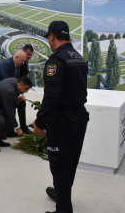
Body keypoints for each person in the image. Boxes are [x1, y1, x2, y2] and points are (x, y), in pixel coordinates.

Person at [33, 21, 89, 213]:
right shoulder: (78, 57)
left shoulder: (56, 60)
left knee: (59, 166)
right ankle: (61, 193)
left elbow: (51, 94)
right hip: (80, 118)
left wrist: (40, 122)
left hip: (63, 121)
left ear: (51, 37)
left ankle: (64, 209)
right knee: (70, 163)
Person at [0, 49, 33, 136]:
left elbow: (17, 81)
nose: (23, 63)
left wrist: (20, 95)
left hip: (5, 89)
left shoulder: (17, 64)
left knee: (21, 103)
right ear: (16, 57)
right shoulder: (6, 64)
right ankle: (8, 130)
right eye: (22, 60)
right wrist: (18, 95)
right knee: (11, 103)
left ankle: (21, 127)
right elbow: (8, 82)